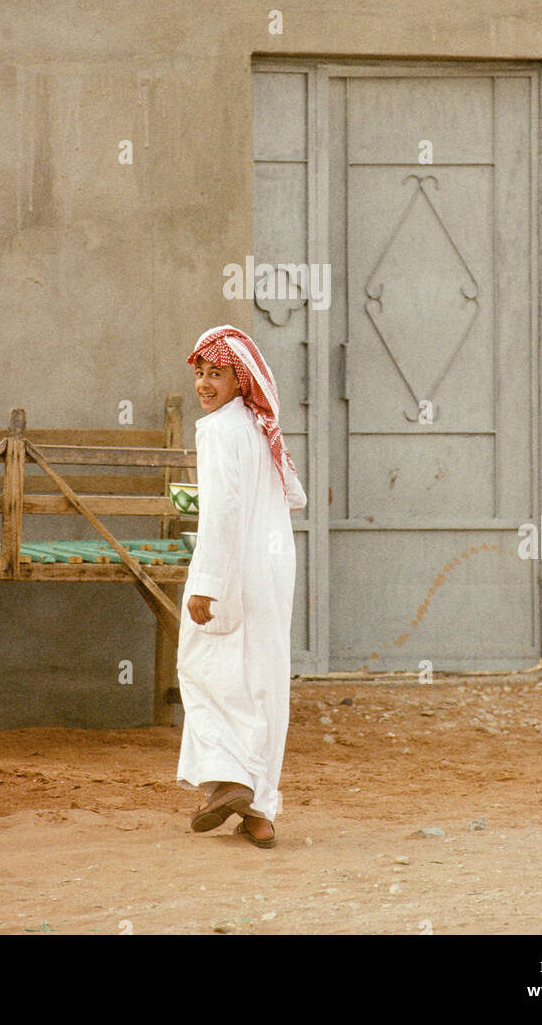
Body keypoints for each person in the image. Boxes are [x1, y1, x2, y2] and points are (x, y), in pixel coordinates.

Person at [175, 325, 307, 848]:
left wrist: (206, 584)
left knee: (204, 668)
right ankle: (259, 811)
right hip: (271, 573)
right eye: (200, 374)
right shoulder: (255, 427)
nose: (205, 385)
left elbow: (224, 513)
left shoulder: (219, 431)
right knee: (262, 681)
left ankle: (229, 781)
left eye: (217, 374)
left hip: (231, 570)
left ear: (239, 378)